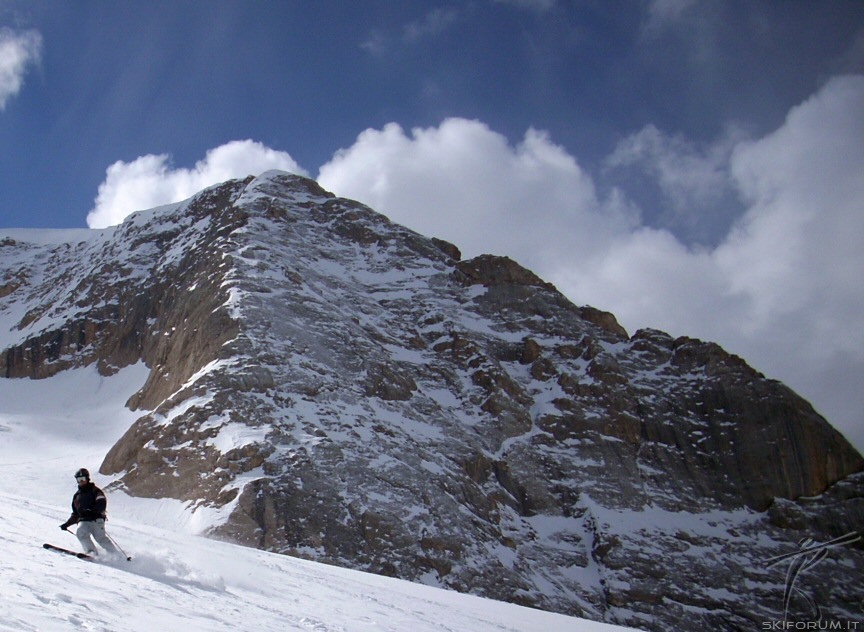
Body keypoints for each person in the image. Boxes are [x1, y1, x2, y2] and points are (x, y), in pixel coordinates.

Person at [60, 468, 119, 557]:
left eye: (83, 479)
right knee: (81, 533)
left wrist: (93, 511)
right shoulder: (77, 496)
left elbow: (101, 503)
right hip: (84, 520)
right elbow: (76, 513)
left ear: (87, 479)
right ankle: (91, 552)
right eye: (79, 480)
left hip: (96, 519)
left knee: (100, 538)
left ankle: (116, 555)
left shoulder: (95, 491)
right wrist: (67, 524)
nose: (81, 481)